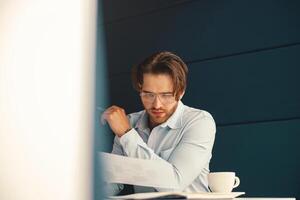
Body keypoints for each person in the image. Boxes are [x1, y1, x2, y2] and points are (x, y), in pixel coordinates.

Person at [101, 51, 216, 195]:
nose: (156, 104)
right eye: (148, 94)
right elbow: (113, 182)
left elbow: (174, 184)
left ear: (181, 92)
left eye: (166, 95)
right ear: (140, 89)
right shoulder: (130, 122)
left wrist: (126, 134)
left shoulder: (199, 122)